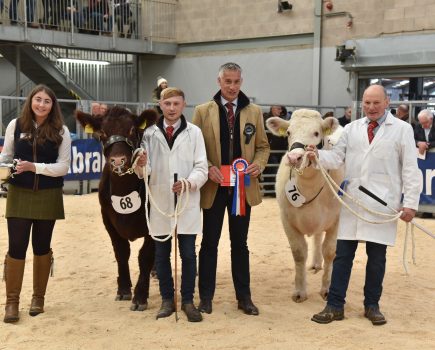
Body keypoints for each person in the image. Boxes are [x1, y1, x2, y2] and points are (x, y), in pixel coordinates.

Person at [309, 84, 421, 326]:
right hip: (353, 202)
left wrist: (410, 203)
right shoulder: (351, 129)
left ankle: (372, 305)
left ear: (386, 102)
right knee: (342, 256)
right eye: (366, 103)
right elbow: (336, 157)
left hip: (383, 204)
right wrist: (316, 155)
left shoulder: (402, 130)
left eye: (375, 102)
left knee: (377, 258)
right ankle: (335, 305)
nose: (370, 107)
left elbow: (411, 169)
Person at [192, 62, 270, 316]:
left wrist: (258, 165)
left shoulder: (255, 111)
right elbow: (195, 148)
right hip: (213, 188)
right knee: (209, 244)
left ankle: (244, 298)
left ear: (241, 82)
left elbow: (263, 147)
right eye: (228, 81)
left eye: (237, 82)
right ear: (219, 82)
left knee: (240, 244)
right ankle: (205, 298)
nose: (233, 86)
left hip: (242, 189)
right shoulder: (202, 111)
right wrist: (209, 167)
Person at [1, 84, 72, 323]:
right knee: (16, 247)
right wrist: (6, 168)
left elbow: (63, 167)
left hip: (48, 195)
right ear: (31, 100)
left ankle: (38, 299)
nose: (41, 104)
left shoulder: (61, 130)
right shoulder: (15, 125)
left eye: (47, 101)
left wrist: (35, 167)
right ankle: (12, 303)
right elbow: (6, 156)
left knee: (42, 247)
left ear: (53, 106)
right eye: (38, 99)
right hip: (19, 193)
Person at [136, 87, 208, 322]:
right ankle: (167, 300)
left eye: (176, 104)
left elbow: (202, 168)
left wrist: (188, 183)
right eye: (167, 104)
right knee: (161, 254)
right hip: (160, 201)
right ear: (161, 105)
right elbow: (142, 172)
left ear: (183, 104)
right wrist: (141, 164)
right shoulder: (149, 134)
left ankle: (187, 300)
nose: (172, 108)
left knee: (188, 254)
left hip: (186, 199)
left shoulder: (195, 133)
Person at [262, 105, 288, 195]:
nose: (280, 110)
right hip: (270, 149)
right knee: (272, 168)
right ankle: (270, 190)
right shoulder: (265, 118)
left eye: (281, 109)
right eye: (278, 108)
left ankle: (275, 190)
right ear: (272, 108)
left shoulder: (282, 119)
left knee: (278, 169)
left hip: (281, 149)